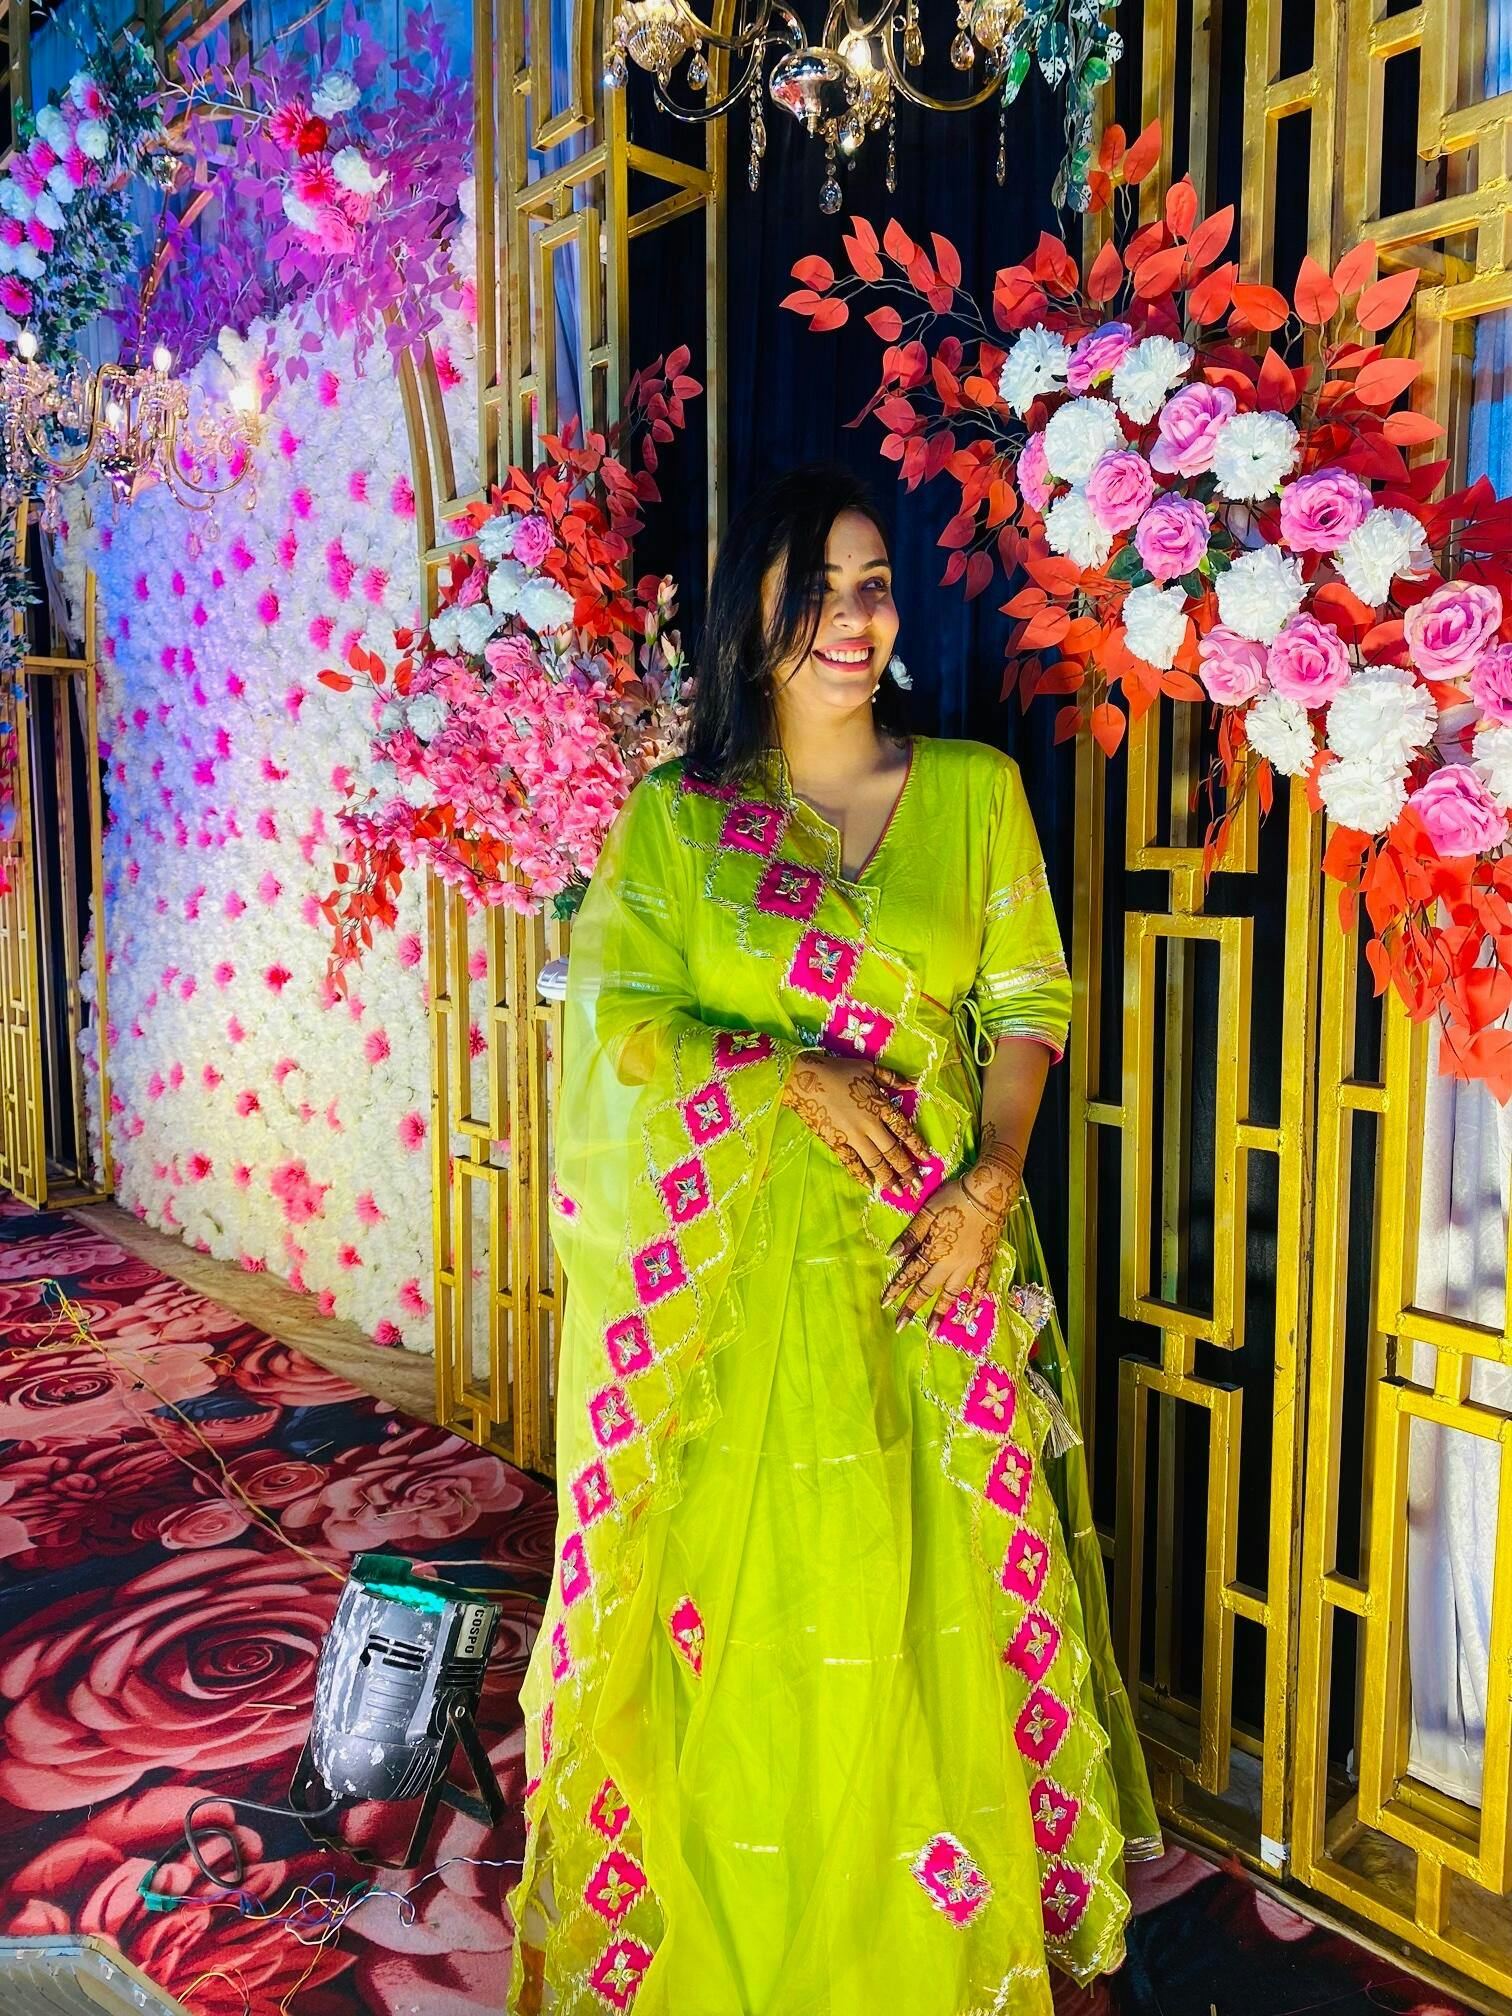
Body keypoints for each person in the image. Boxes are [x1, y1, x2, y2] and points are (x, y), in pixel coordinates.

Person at [509, 464, 1159, 2016]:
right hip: (730, 1287)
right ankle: (752, 1916)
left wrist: (992, 1179)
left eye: (871, 586)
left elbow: (1030, 999)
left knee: (930, 1583)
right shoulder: (683, 823)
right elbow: (622, 1031)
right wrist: (787, 1074)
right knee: (756, 1596)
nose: (853, 620)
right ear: (753, 623)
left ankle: (917, 1934)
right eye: (814, 592)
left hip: (931, 1257)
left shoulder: (973, 793)